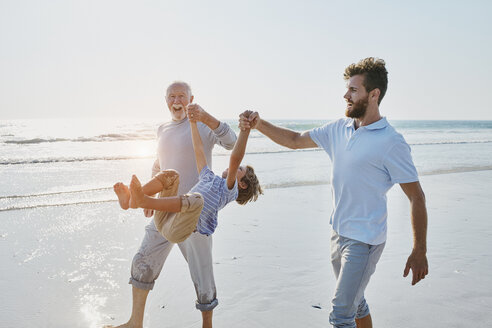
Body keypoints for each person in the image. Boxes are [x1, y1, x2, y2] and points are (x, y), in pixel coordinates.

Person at [239, 57, 429, 328]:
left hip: (364, 241)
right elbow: (294, 140)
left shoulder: (391, 142)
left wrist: (419, 249)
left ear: (373, 94)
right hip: (337, 234)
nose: (345, 95)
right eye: (347, 89)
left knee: (341, 315)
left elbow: (416, 196)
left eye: (353, 90)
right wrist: (259, 124)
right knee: (357, 302)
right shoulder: (338, 128)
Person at [107, 81, 237, 328]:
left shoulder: (201, 125)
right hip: (165, 208)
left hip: (194, 211)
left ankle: (206, 325)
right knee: (142, 261)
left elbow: (231, 141)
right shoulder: (162, 129)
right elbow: (159, 165)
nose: (176, 100)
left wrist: (206, 117)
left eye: (181, 96)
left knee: (203, 276)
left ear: (191, 99)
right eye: (171, 96)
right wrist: (152, 199)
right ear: (166, 100)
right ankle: (135, 323)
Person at [114, 102, 262, 258]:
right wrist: (192, 123)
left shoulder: (228, 191)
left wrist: (245, 131)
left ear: (242, 184)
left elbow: (235, 159)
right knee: (171, 175)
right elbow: (198, 150)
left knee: (196, 200)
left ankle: (141, 200)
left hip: (177, 230)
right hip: (164, 219)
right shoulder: (208, 177)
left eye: (240, 170)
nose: (233, 169)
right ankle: (130, 198)